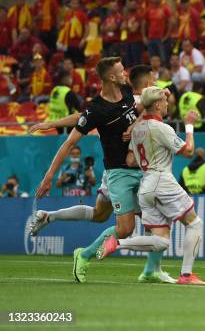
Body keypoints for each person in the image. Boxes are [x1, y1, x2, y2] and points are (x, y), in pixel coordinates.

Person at [33, 57, 170, 284]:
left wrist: (53, 123)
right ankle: (85, 255)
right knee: (124, 226)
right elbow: (77, 129)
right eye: (121, 70)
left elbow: (134, 111)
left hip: (138, 168)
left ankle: (151, 270)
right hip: (117, 172)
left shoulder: (127, 93)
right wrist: (49, 177)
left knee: (114, 216)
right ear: (111, 77)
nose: (125, 73)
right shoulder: (98, 108)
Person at [96, 86, 205, 286]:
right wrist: (189, 126)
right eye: (164, 101)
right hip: (162, 179)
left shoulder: (136, 129)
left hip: (145, 185)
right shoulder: (161, 128)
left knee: (161, 241)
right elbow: (189, 151)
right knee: (195, 224)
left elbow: (130, 161)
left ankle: (117, 243)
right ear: (156, 104)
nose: (167, 104)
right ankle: (187, 275)